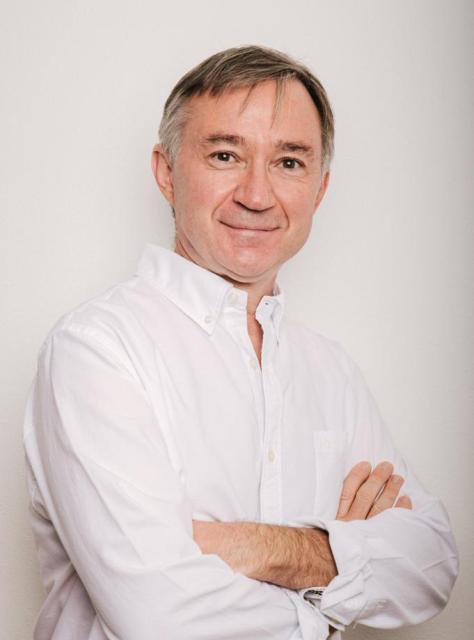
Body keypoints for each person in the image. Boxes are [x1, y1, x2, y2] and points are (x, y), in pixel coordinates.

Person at [24, 45, 458, 640]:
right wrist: (337, 591)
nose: (257, 194)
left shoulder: (331, 371)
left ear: (320, 189)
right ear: (166, 172)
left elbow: (432, 566)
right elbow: (160, 618)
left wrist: (254, 546)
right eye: (225, 155)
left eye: (289, 162)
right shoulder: (97, 350)